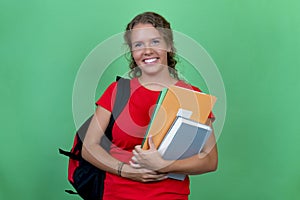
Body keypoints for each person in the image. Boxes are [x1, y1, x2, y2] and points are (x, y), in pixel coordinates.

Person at [82, 12, 218, 200]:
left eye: (155, 42)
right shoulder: (117, 91)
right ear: (132, 51)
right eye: (138, 45)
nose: (147, 50)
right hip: (117, 194)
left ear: (169, 46)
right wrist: (126, 171)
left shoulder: (192, 97)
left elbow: (209, 160)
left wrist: (164, 165)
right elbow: (89, 147)